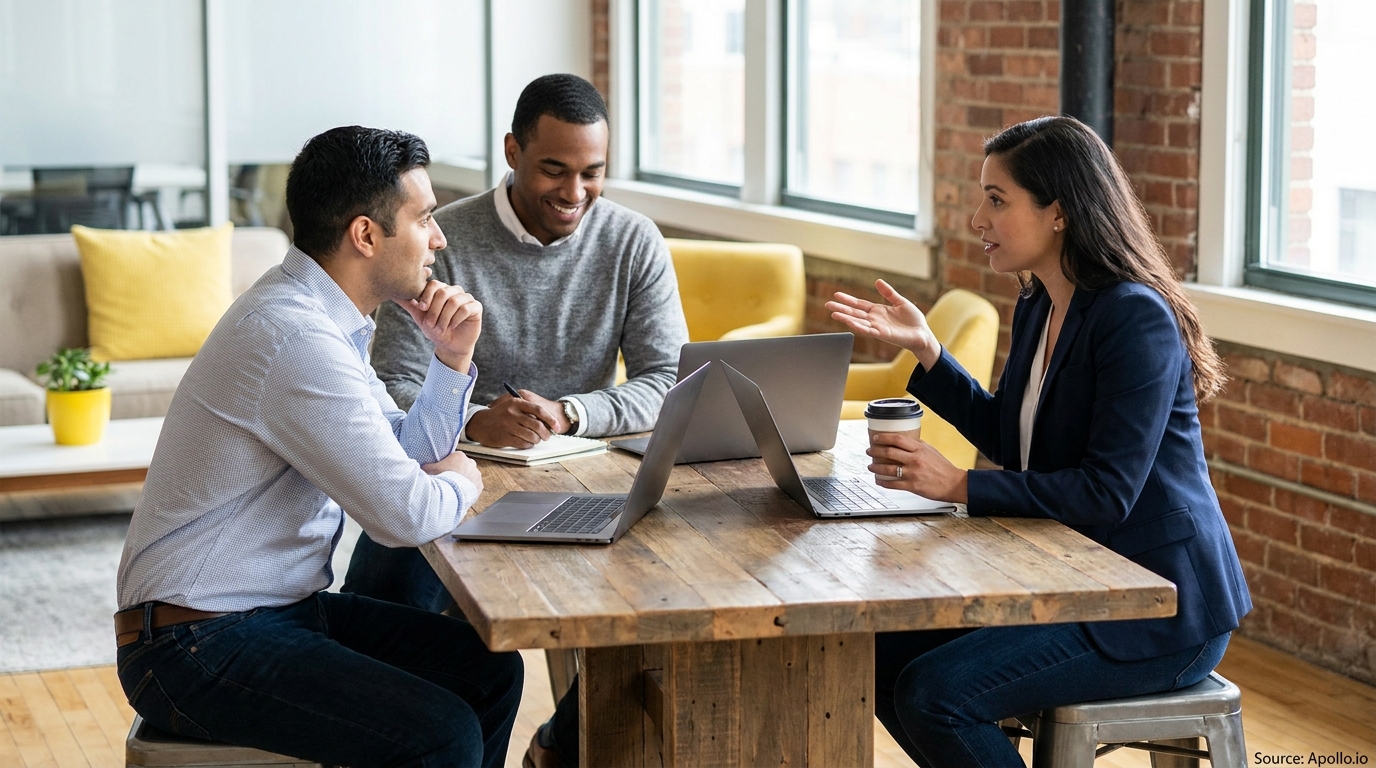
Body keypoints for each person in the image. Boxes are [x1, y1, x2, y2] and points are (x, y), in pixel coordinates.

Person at [827, 116, 1252, 767]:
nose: (977, 217)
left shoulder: (1134, 317)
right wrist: (929, 352)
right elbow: (1013, 436)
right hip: (1076, 578)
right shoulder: (1041, 303)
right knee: (873, 653)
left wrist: (960, 484)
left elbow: (1106, 494)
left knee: (935, 692)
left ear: (1058, 212)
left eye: (997, 199)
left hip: (1159, 605)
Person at [114, 126, 523, 768]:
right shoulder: (293, 337)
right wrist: (466, 479)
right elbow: (404, 515)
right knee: (442, 734)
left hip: (270, 615)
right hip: (193, 644)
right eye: (425, 219)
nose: (439, 239)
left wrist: (452, 357)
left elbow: (407, 452)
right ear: (366, 235)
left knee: (486, 670)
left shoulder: (322, 320)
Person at [346, 74, 689, 768]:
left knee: (670, 607)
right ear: (512, 151)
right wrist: (475, 421)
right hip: (452, 476)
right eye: (554, 170)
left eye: (592, 173)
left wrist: (572, 413)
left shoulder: (633, 242)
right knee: (390, 605)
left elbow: (669, 381)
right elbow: (393, 387)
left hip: (582, 479)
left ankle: (560, 745)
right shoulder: (440, 241)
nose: (574, 193)